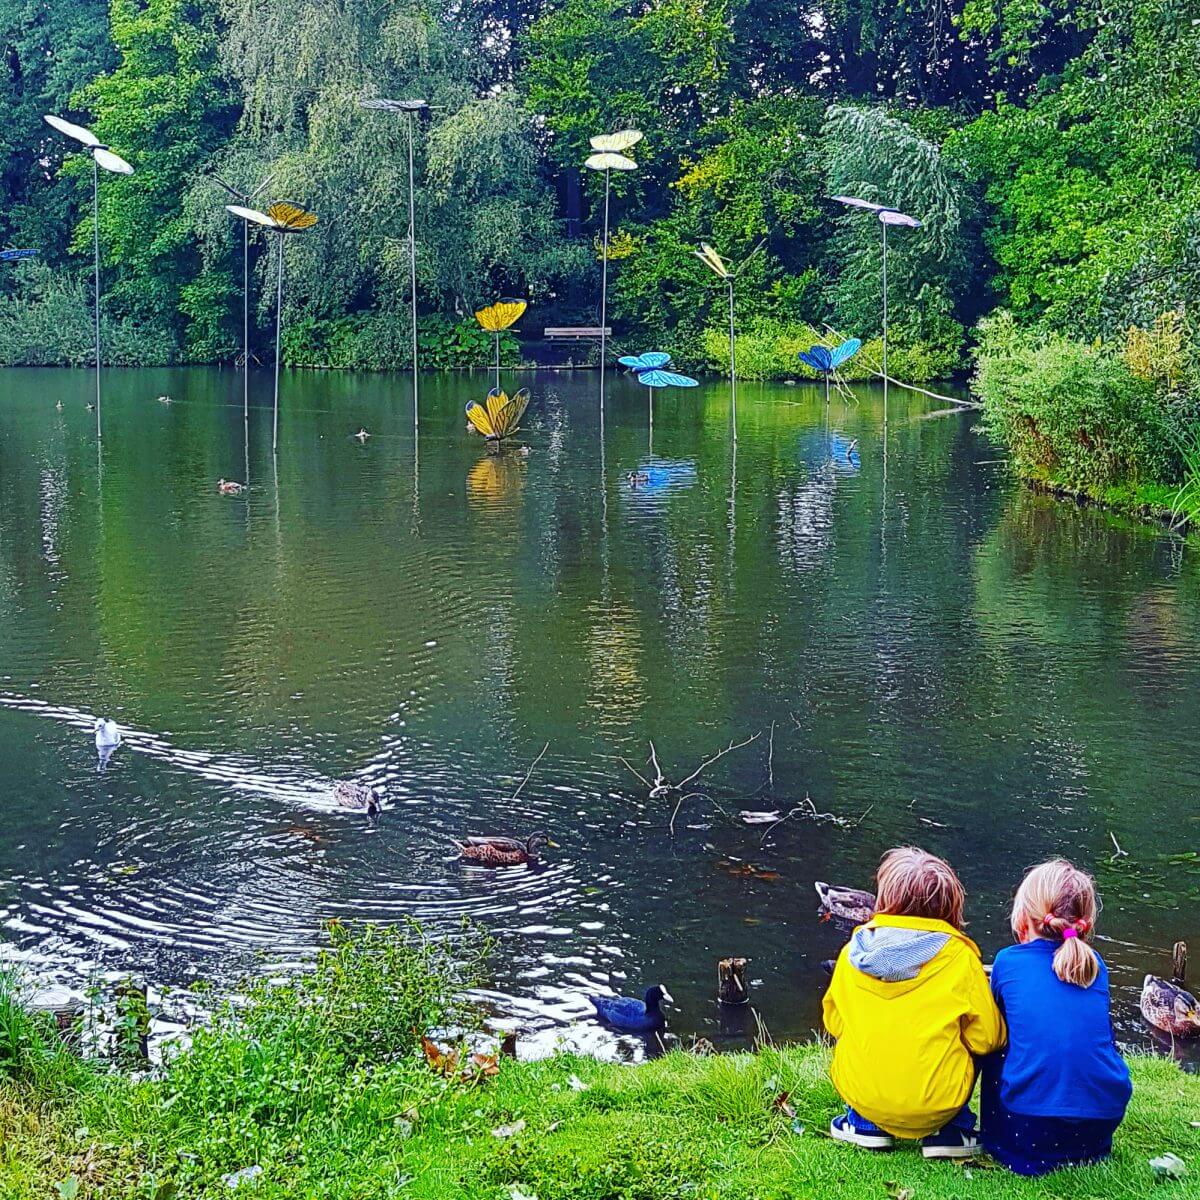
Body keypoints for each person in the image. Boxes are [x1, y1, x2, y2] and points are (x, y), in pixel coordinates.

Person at [822, 846, 1005, 1158]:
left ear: (884, 900)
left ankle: (864, 1123)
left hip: (861, 1092)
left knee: (859, 1032)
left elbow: (834, 1022)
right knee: (975, 1040)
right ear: (951, 907)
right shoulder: (960, 959)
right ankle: (949, 1131)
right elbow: (986, 1038)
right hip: (937, 1101)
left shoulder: (852, 952)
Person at [982, 859, 1131, 1175]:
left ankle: (995, 1139)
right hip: (1101, 1124)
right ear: (1084, 920)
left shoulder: (1007, 962)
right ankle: (1083, 1143)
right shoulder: (1096, 965)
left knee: (994, 1038)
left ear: (1024, 916)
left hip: (1030, 1128)